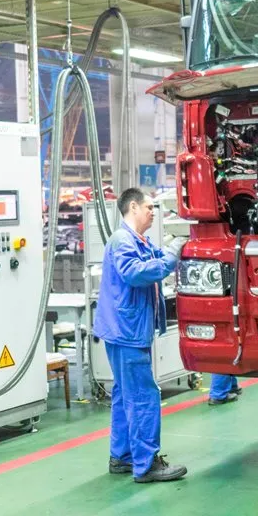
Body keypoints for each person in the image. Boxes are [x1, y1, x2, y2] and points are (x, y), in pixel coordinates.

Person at [93, 188, 188, 483]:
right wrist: (172, 255)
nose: (153, 212)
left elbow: (156, 257)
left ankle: (122, 456)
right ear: (133, 207)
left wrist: (176, 243)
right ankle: (146, 464)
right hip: (127, 331)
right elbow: (135, 273)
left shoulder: (138, 240)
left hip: (125, 329)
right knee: (143, 396)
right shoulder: (123, 241)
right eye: (149, 207)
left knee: (125, 395)